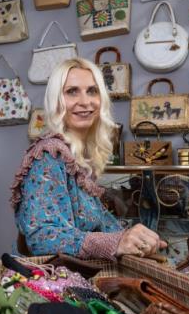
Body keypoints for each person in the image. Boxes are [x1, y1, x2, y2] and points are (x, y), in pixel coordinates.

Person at [10, 58, 166, 260]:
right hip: (50, 283)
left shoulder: (76, 158)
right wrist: (117, 242)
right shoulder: (49, 155)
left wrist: (137, 239)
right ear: (55, 100)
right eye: (72, 91)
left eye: (92, 91)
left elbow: (101, 222)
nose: (85, 101)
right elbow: (42, 236)